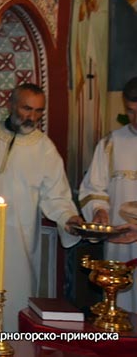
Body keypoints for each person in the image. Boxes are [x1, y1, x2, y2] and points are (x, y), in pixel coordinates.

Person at [0, 83, 82, 332]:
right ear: (10, 105)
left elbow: (56, 196)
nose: (32, 117)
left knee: (16, 294)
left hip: (19, 240)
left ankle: (14, 345)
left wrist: (69, 217)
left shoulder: (44, 149)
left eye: (38, 111)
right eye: (26, 108)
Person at [80, 76, 137, 312]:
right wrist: (99, 210)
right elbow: (94, 187)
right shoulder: (111, 143)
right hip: (120, 244)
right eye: (131, 111)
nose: (136, 118)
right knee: (120, 309)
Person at [68, 0, 109, 188]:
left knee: (97, 111)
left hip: (98, 48)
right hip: (84, 47)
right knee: (82, 112)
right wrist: (85, 8)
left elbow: (104, 9)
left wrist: (96, 9)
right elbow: (77, 8)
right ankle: (80, 174)